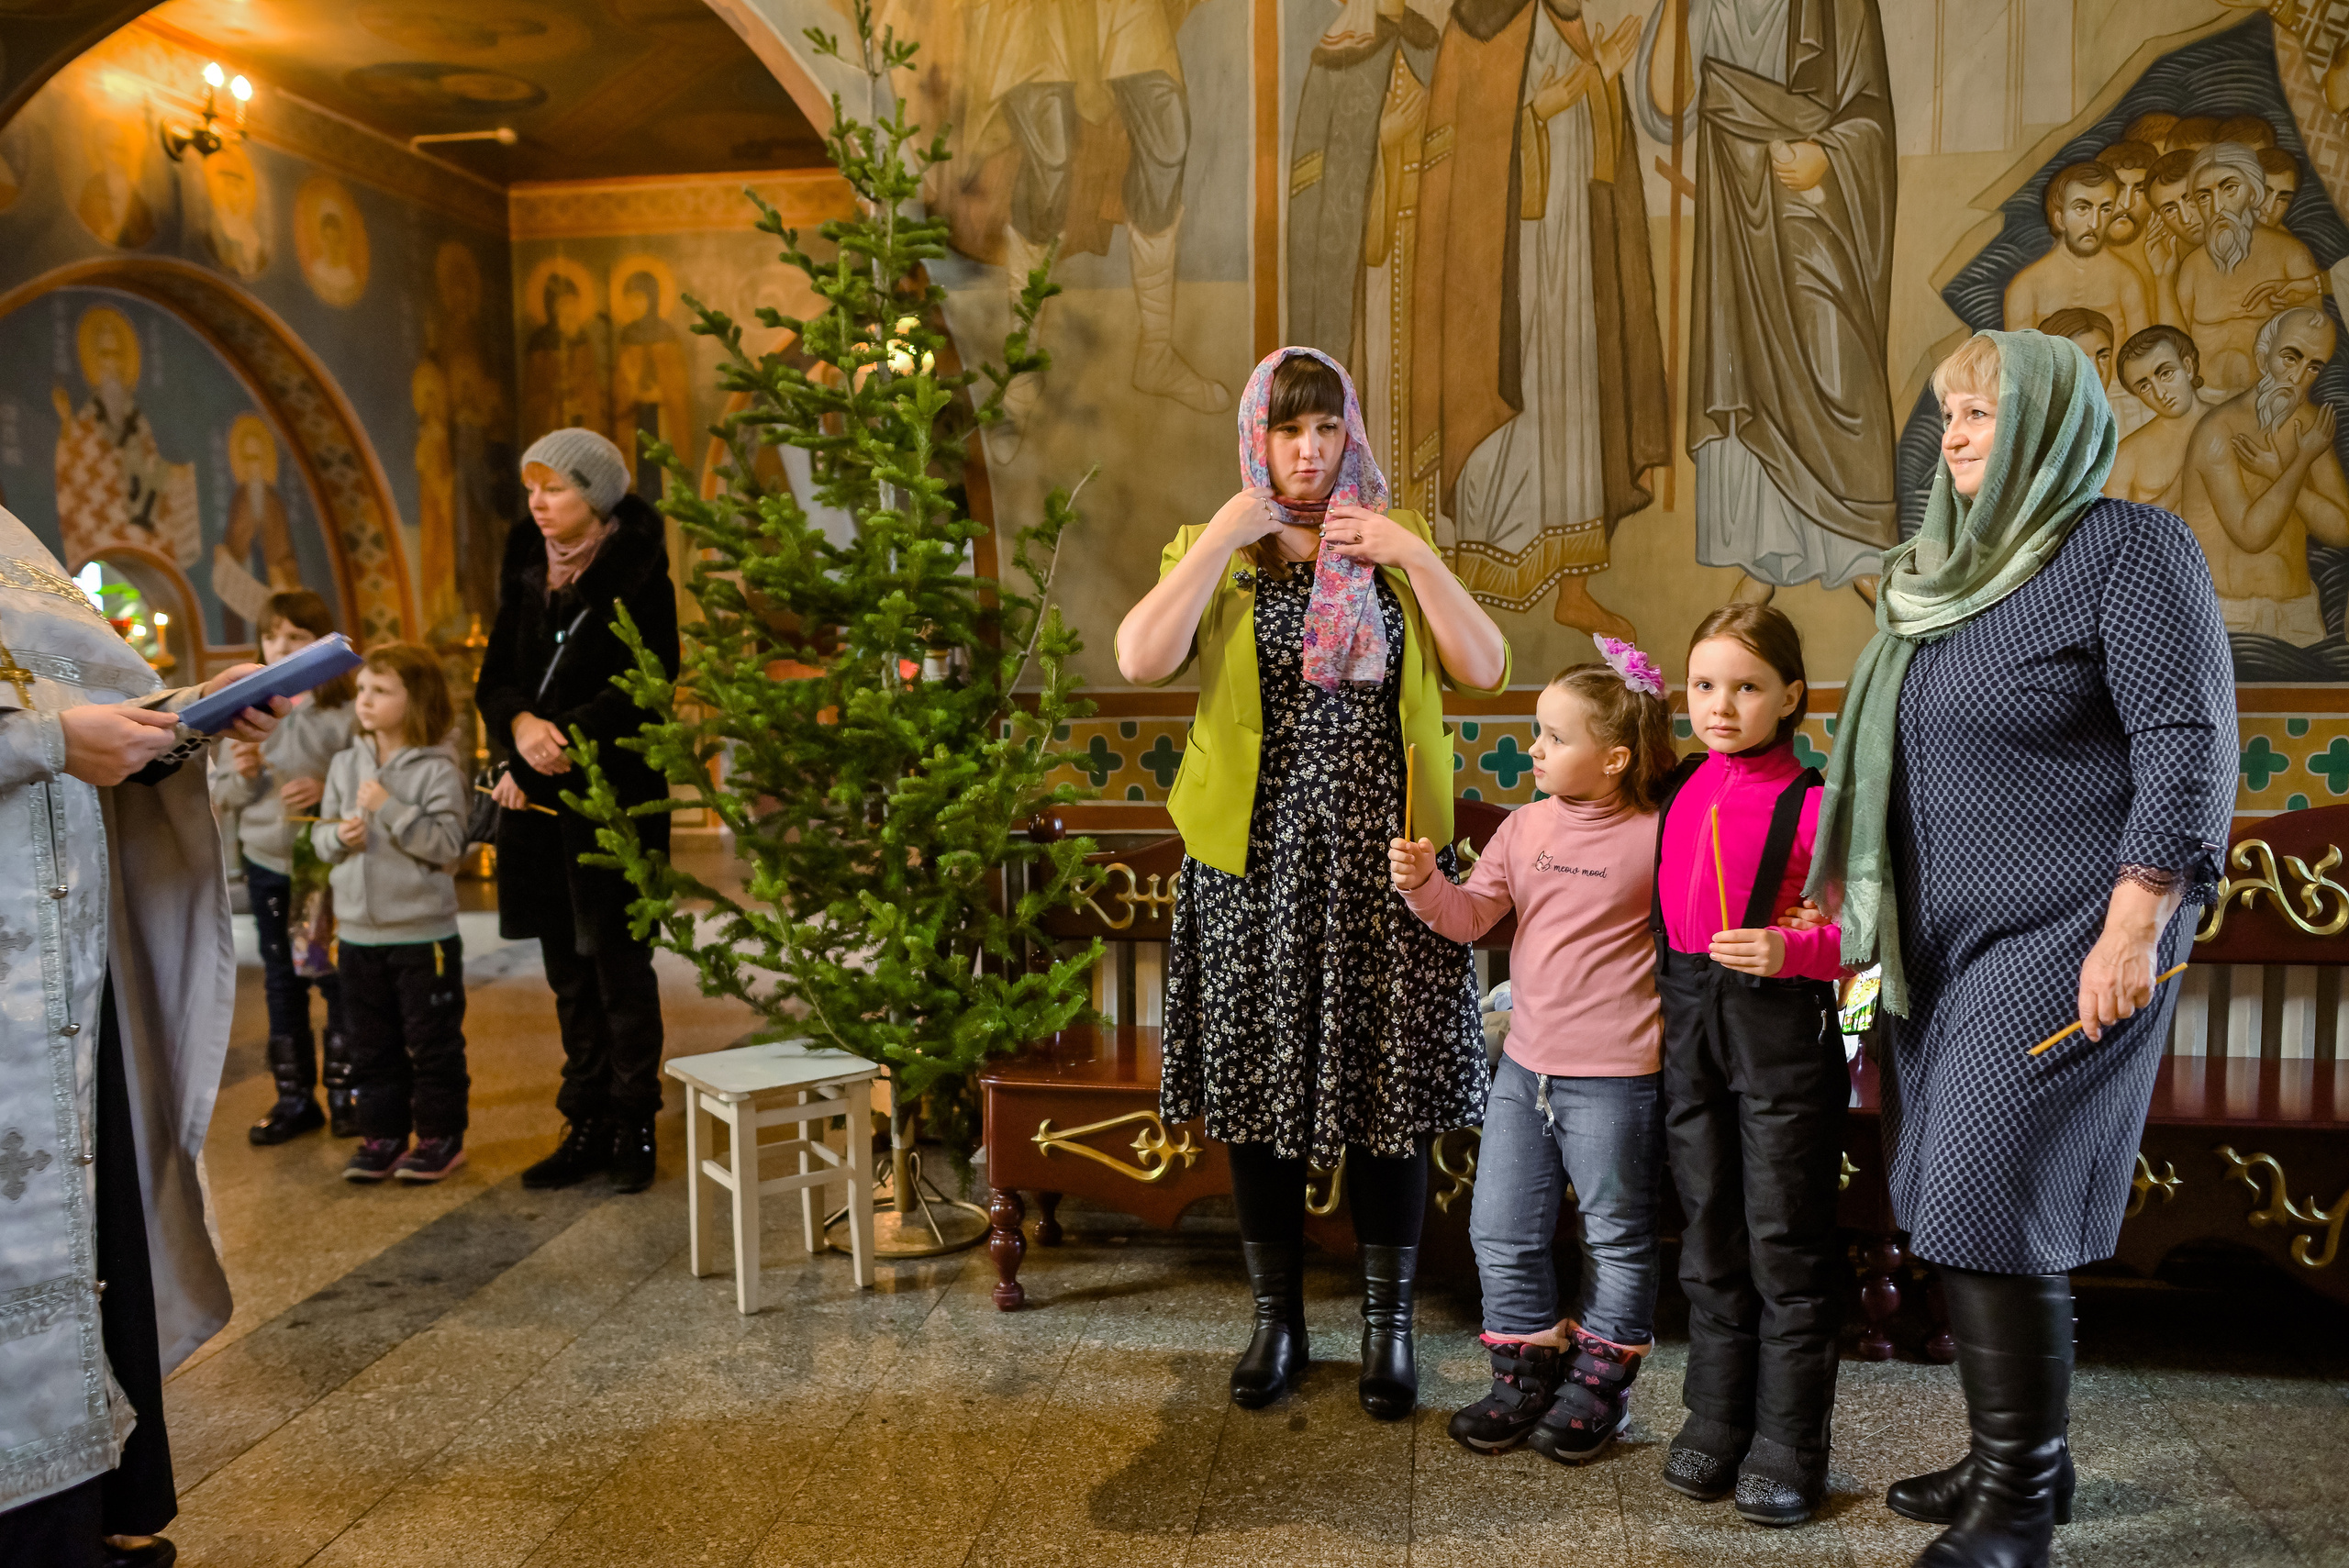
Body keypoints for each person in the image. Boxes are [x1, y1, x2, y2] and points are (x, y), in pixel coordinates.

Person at [1809, 329, 2234, 1568]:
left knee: (1993, 1186)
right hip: (1943, 940)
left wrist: (2137, 919)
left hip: (2075, 924)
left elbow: (2188, 738)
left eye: (1983, 413)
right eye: (1948, 413)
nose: (1954, 436)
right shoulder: (1942, 571)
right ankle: (2009, 1458)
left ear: (2051, 420)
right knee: (1949, 1187)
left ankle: (2021, 1507)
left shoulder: (2127, 550)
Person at [1115, 346, 1509, 1419]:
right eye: (1289, 429)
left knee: (1391, 1098)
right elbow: (1141, 655)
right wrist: (1217, 540)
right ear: (1258, 436)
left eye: (1326, 428)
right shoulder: (1221, 552)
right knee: (1255, 1094)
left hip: (1388, 867)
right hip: (1252, 869)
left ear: (1348, 436)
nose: (1307, 449)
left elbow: (1484, 663)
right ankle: (1275, 1318)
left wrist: (1412, 556)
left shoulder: (1389, 545)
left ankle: (1388, 1332)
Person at [0, 504, 286, 1565]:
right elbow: (53, 726)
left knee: (89, 1211)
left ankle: (84, 1507)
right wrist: (45, 741)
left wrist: (187, 722)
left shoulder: (6, 537)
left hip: (62, 967)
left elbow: (97, 702)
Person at [1389, 644, 1673, 1465]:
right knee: (1501, 1227)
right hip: (1524, 1068)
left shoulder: (1657, 835)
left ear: (1615, 758)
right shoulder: (1526, 824)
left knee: (1616, 1235)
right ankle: (1522, 1375)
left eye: (1553, 736)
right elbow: (1472, 916)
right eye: (1536, 733)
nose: (1534, 749)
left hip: (1619, 1076)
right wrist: (1420, 882)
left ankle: (1598, 1387)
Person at [1654, 603, 1850, 1528]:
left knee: (1783, 1235)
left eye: (1745, 686)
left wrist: (1791, 950)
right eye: (1702, 685)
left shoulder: (1811, 804)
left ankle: (1788, 1437)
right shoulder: (1683, 786)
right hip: (1689, 1023)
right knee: (1706, 1226)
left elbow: (1863, 933)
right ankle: (1718, 1411)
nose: (1721, 705)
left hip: (1781, 1033)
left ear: (1790, 695)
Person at [478, 428, 679, 1195]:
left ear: (594, 498)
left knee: (619, 968)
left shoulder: (640, 575)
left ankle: (633, 1122)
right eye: (531, 488)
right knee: (566, 970)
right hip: (537, 801)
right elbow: (496, 677)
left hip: (611, 800)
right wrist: (521, 728)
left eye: (554, 488)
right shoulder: (527, 570)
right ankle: (586, 1118)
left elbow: (648, 681)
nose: (537, 502)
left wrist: (566, 738)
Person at [316, 643, 470, 1184]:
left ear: (417, 698)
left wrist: (390, 809)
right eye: (362, 689)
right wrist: (337, 835)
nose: (365, 700)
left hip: (421, 934)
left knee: (432, 1043)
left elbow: (450, 845)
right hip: (358, 934)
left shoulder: (437, 770)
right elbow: (318, 836)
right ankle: (381, 1135)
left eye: (381, 691)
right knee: (370, 1043)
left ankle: (440, 1138)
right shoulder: (344, 762)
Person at [211, 589, 358, 1143]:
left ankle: (348, 1094)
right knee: (280, 982)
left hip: (319, 860)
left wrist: (326, 791)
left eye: (296, 636)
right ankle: (295, 1097)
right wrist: (243, 774)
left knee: (331, 975)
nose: (281, 646)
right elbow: (225, 790)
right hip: (266, 858)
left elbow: (368, 780)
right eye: (272, 635)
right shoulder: (245, 708)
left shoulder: (342, 711)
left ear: (320, 642)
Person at [2178, 305, 2347, 650]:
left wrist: (2278, 471)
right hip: (2229, 615)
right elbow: (2251, 534)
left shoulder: (2311, 426)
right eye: (2291, 357)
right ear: (2262, 357)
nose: (2299, 376)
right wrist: (2300, 463)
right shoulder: (2219, 430)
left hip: (2300, 613)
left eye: (2314, 365)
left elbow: (2342, 530)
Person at [2003, 163, 2150, 352]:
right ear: (2060, 218)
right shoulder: (2026, 287)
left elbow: (2143, 357)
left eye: (2105, 209)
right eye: (2082, 208)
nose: (2095, 223)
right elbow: (2020, 364)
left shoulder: (2127, 280)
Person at [2105, 325, 2211, 510]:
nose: (2160, 393)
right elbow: (2115, 531)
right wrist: (2175, 491)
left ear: (2187, 367)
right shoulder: (2127, 456)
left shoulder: (2231, 426)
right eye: (2144, 386)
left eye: (2166, 374)